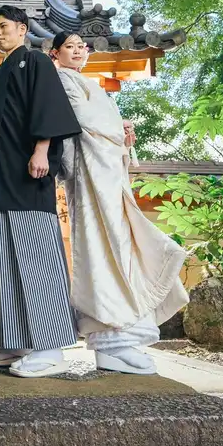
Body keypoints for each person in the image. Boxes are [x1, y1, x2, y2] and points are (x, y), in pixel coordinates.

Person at [50, 31, 189, 375]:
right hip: (91, 174)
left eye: (82, 45)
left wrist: (121, 135)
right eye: (70, 46)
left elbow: (102, 124)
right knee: (101, 244)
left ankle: (125, 336)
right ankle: (109, 339)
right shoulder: (61, 81)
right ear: (55, 53)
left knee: (123, 243)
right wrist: (117, 126)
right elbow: (82, 121)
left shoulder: (88, 82)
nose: (79, 49)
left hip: (108, 171)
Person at [0, 5, 82, 378]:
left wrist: (42, 149)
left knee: (34, 250)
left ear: (22, 28)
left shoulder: (35, 62)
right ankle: (12, 339)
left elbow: (46, 107)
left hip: (26, 169)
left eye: (3, 27)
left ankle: (50, 347)